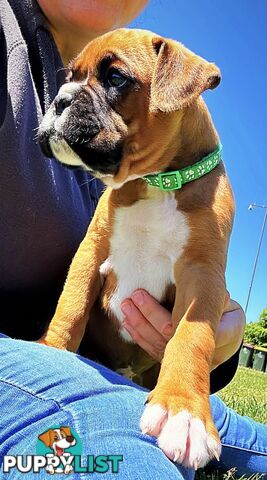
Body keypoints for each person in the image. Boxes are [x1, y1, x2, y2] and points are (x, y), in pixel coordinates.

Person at [0, 1, 266, 478]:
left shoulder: (146, 176)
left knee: (248, 438)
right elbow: (90, 257)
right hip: (57, 367)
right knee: (128, 452)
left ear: (175, 90)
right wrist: (56, 345)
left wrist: (199, 367)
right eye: (71, 81)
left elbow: (202, 278)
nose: (69, 99)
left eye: (114, 81)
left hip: (147, 376)